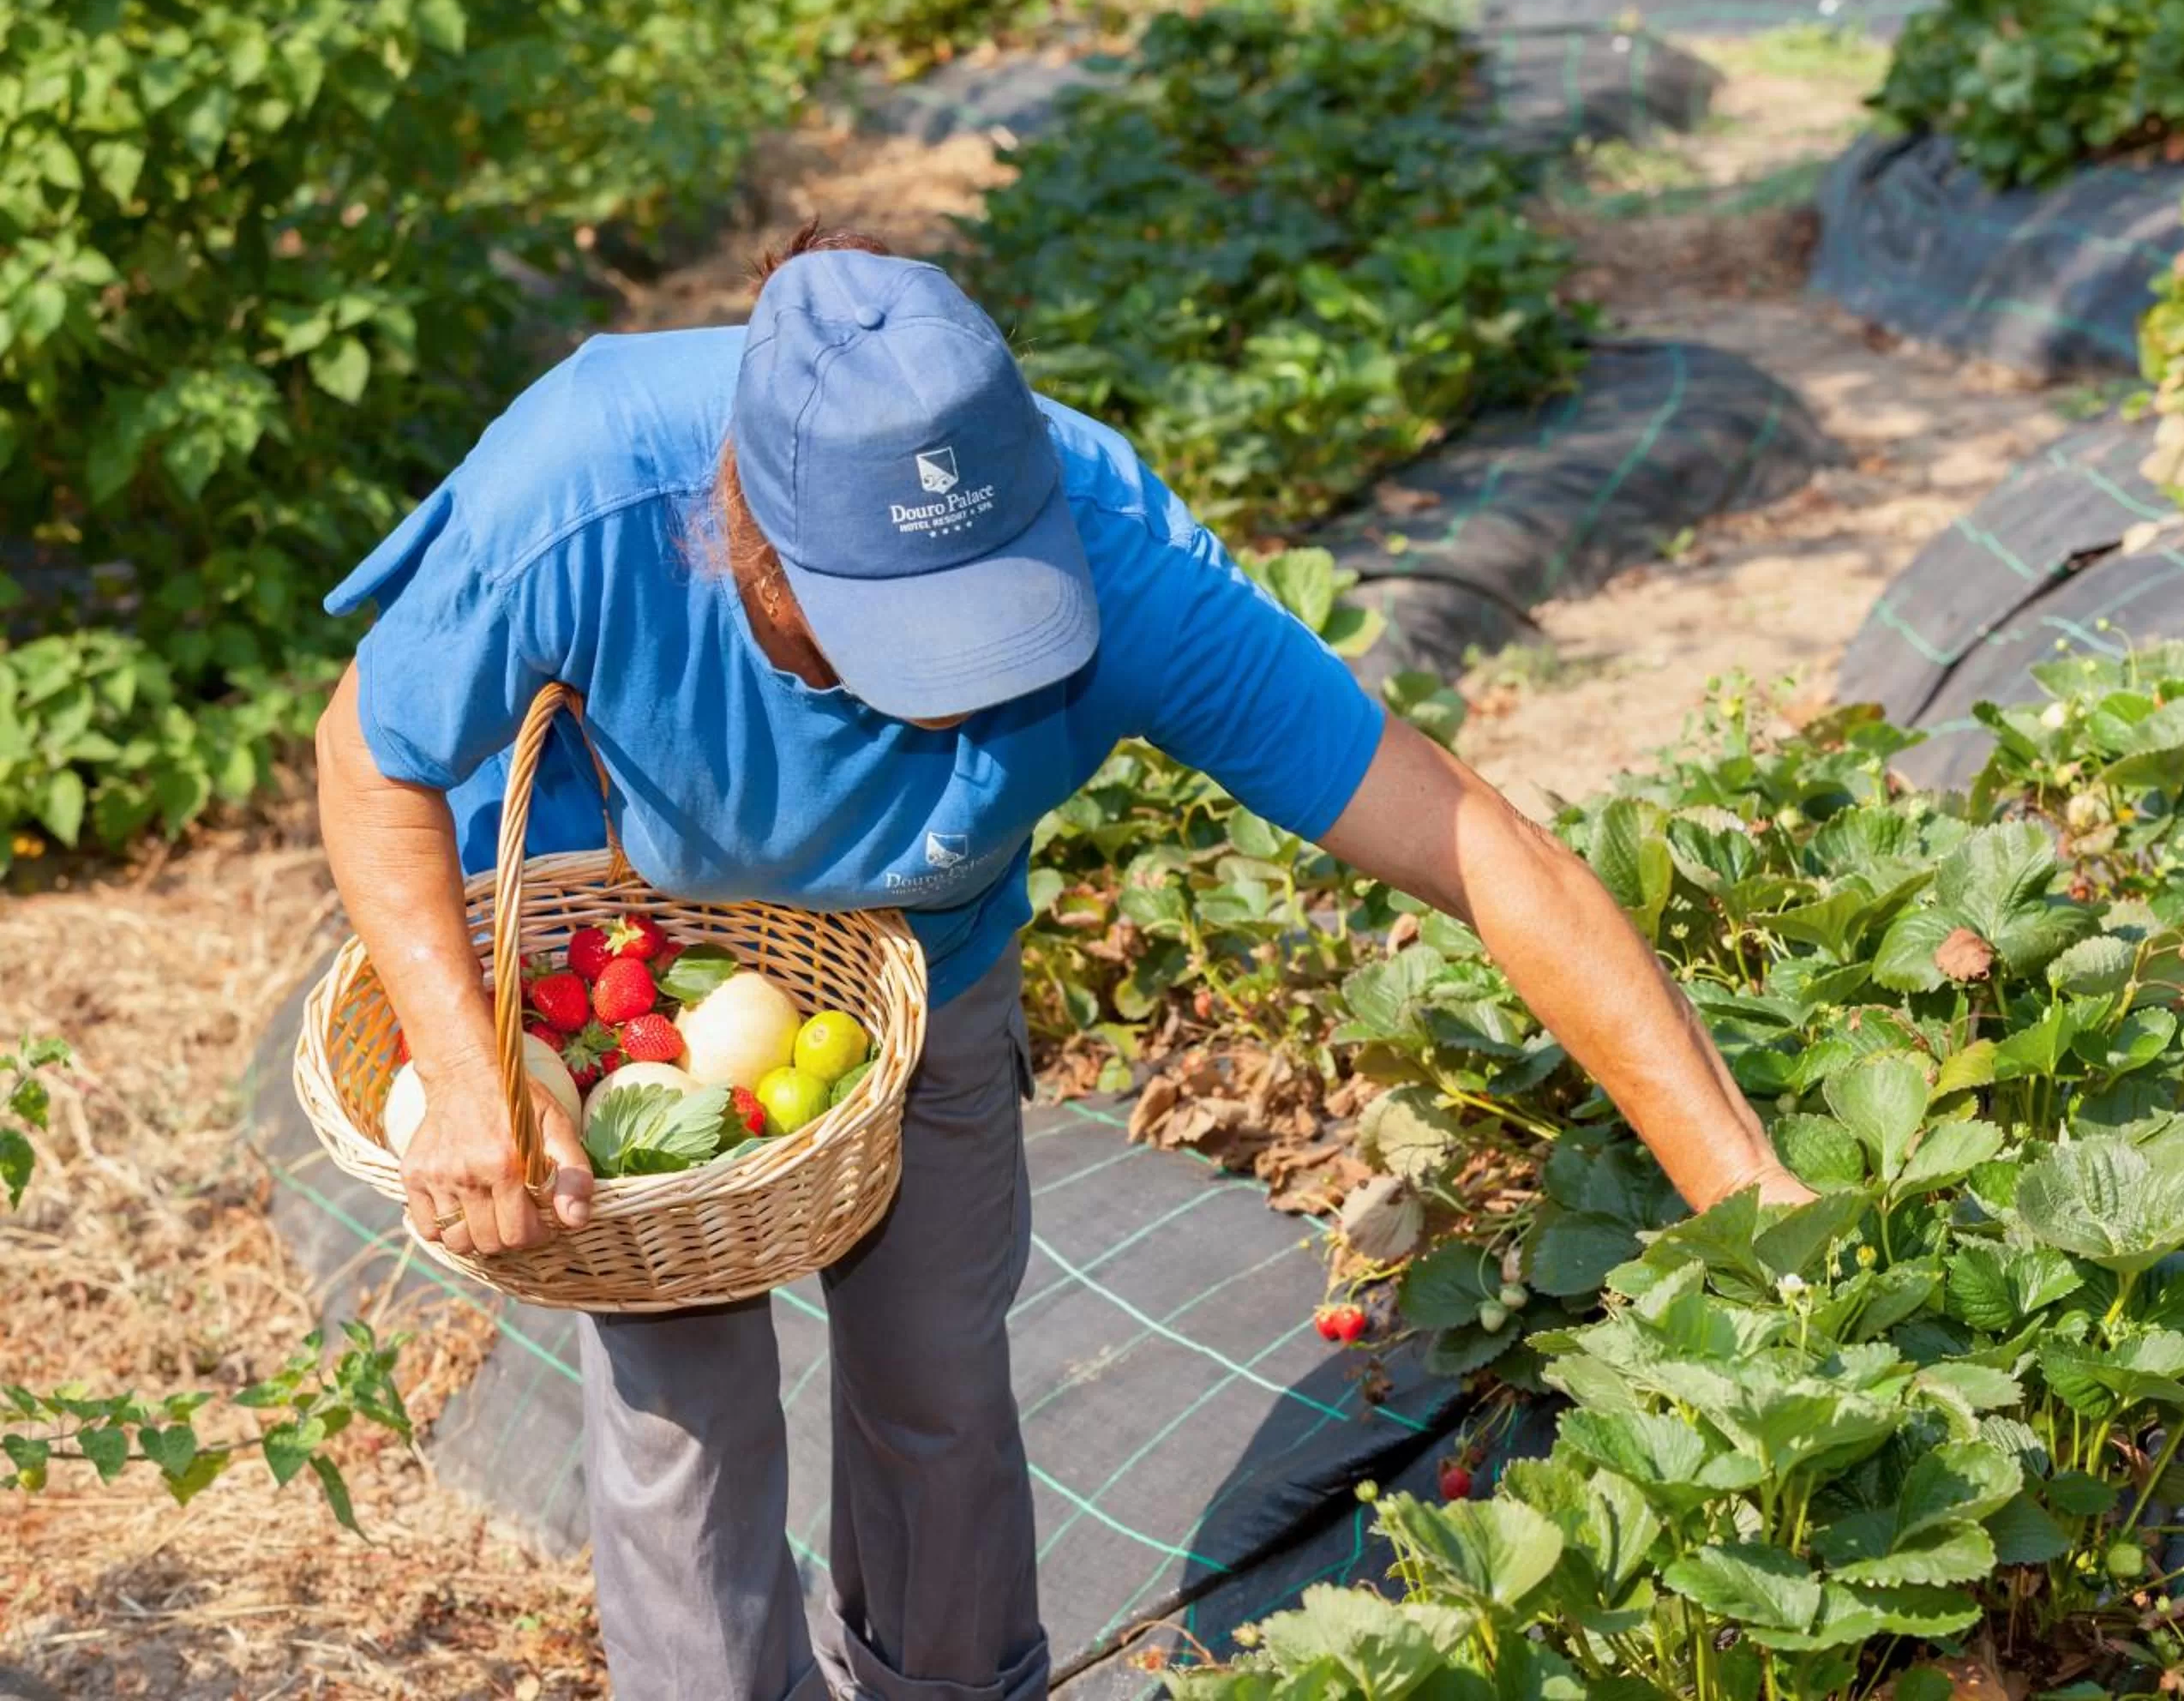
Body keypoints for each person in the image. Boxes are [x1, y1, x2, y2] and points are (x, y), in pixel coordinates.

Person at [312, 225, 1811, 1701]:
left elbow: (1485, 852)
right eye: (892, 641)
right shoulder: (581, 493)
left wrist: (1749, 1199)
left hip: (930, 960)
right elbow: (365, 757)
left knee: (938, 1387)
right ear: (745, 539)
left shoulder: (1125, 567)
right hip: (641, 957)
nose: (946, 699)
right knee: (681, 1402)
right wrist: (470, 1066)